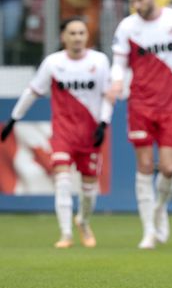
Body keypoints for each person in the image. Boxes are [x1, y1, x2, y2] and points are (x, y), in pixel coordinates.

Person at [0, 17, 113, 248]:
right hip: (63, 133)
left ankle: (83, 220)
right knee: (62, 180)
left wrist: (104, 123)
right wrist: (14, 118)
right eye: (72, 33)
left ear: (87, 36)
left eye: (81, 33)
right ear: (63, 37)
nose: (77, 38)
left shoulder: (99, 61)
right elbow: (32, 91)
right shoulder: (53, 63)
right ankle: (66, 234)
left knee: (89, 188)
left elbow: (108, 95)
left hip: (90, 134)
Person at [109, 0, 172, 250]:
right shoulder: (127, 27)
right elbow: (118, 63)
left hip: (171, 104)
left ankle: (159, 208)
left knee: (169, 168)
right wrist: (117, 81)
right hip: (139, 104)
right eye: (132, 1)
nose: (136, 5)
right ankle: (149, 230)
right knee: (145, 166)